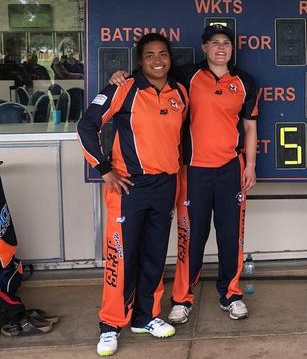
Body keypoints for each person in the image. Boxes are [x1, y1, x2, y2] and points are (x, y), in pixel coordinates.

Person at [110, 24, 259, 324]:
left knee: (231, 236)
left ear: (232, 48)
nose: (220, 48)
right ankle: (182, 298)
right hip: (192, 171)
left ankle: (230, 294)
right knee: (191, 238)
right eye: (214, 42)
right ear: (203, 47)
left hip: (231, 170)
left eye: (226, 43)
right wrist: (121, 76)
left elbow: (250, 127)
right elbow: (151, 76)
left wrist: (251, 166)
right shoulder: (186, 76)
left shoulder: (245, 82)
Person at [78, 33, 188, 356]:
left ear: (170, 58)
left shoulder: (179, 93)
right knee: (120, 257)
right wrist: (104, 169)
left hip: (165, 186)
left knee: (154, 255)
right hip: (128, 187)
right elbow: (86, 126)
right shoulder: (123, 88)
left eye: (163, 54)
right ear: (140, 61)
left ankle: (145, 317)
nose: (158, 60)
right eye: (150, 55)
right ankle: (110, 325)